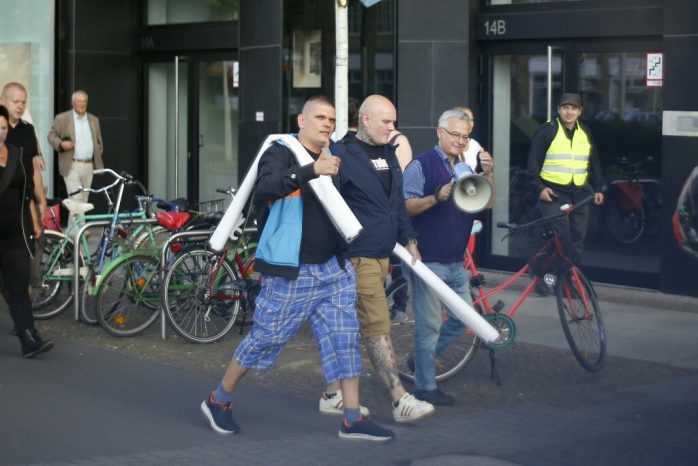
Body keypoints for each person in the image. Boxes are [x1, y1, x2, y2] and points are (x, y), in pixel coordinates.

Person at [200, 96, 394, 442]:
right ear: (301, 120)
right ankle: (219, 399)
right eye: (320, 117)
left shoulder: (334, 154)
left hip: (334, 269)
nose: (327, 124)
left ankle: (351, 417)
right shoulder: (281, 150)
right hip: (292, 269)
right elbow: (266, 187)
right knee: (266, 337)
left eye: (332, 119)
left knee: (345, 339)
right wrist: (310, 170)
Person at [324, 95, 435, 423]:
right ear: (365, 119)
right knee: (376, 326)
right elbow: (327, 204)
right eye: (386, 121)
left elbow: (396, 203)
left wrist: (410, 238)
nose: (392, 128)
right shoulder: (341, 154)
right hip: (359, 258)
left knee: (349, 328)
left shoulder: (388, 153)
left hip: (383, 255)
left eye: (394, 121)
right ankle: (399, 399)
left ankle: (332, 392)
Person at [402, 109, 495, 405]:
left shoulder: (466, 169)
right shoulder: (421, 165)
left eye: (465, 137)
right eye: (454, 134)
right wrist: (437, 197)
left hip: (456, 262)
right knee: (429, 325)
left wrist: (488, 173)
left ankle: (420, 360)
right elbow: (405, 208)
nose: (459, 141)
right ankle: (425, 388)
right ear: (439, 132)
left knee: (461, 319)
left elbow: (489, 203)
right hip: (427, 261)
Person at [0, 105, 54, 358]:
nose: (0, 132)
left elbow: (28, 192)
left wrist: (34, 220)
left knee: (19, 285)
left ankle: (28, 338)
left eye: (2, 127)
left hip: (15, 232)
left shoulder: (17, 153)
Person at [526, 93, 604, 264]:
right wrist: (539, 188)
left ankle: (568, 278)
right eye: (565, 108)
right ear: (559, 110)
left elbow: (593, 160)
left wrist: (598, 187)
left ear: (580, 111)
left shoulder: (584, 131)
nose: (569, 112)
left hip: (579, 193)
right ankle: (541, 272)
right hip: (553, 192)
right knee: (560, 237)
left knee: (577, 238)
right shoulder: (547, 130)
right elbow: (532, 163)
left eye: (573, 108)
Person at [47, 90, 104, 206]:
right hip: (72, 164)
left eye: (84, 101)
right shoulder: (62, 118)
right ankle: (80, 225)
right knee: (76, 200)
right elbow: (51, 136)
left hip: (88, 166)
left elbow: (99, 142)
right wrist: (61, 144)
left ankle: (73, 225)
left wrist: (96, 152)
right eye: (79, 101)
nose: (82, 104)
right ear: (73, 103)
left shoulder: (94, 120)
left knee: (83, 202)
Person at [1, 83, 47, 214]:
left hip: (25, 202)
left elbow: (34, 168)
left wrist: (42, 200)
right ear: (2, 101)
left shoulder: (28, 129)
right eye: (15, 101)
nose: (20, 106)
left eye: (23, 102)